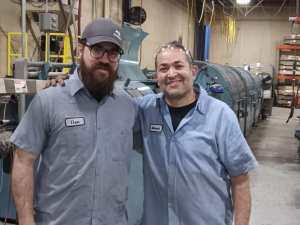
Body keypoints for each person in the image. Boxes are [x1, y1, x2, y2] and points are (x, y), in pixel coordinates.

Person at [47, 41, 259, 225]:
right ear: (157, 76)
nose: (172, 74)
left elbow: (240, 181)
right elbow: (106, 103)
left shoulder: (221, 116)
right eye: (164, 68)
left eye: (178, 66)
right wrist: (71, 83)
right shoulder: (143, 109)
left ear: (193, 71)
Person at [10, 18, 141, 225]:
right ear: (81, 49)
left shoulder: (128, 105)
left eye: (113, 53)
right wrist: (26, 221)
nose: (105, 59)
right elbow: (23, 161)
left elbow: (153, 145)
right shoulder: (49, 100)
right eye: (97, 49)